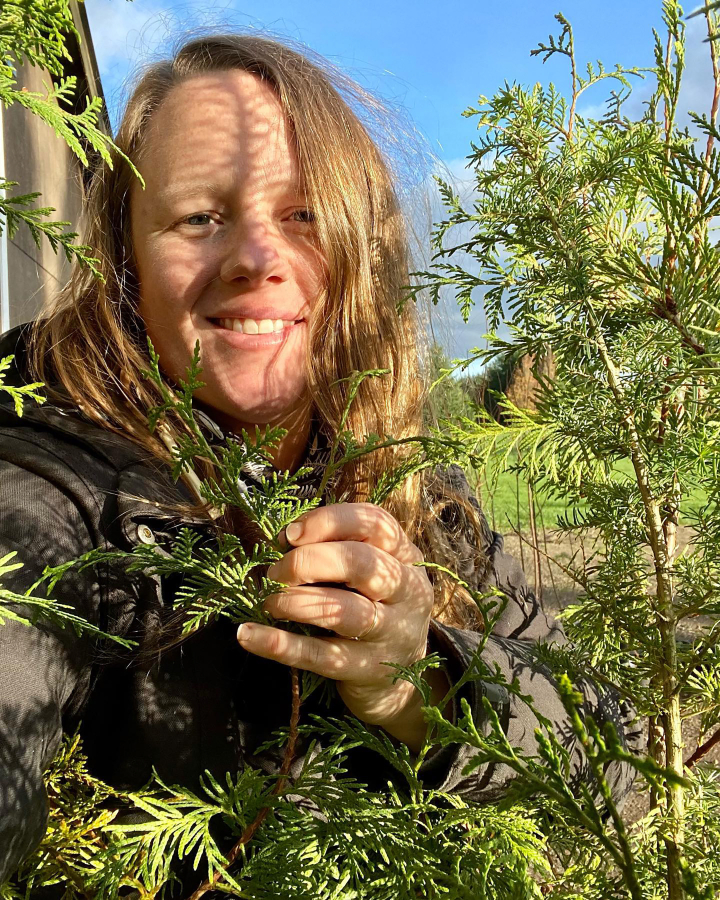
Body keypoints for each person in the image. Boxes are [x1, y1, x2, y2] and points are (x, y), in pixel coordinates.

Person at [0, 33, 639, 887]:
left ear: (365, 255)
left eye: (303, 216)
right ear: (126, 260)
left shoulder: (420, 495)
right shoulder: (47, 478)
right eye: (199, 218)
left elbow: (622, 758)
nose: (259, 260)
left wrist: (423, 690)